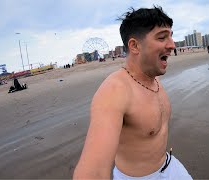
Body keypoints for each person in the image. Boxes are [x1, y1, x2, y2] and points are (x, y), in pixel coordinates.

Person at [73, 6, 192, 180]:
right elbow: (94, 171)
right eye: (162, 37)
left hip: (169, 164)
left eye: (171, 36)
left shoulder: (153, 77)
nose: (172, 45)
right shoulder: (115, 91)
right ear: (134, 45)